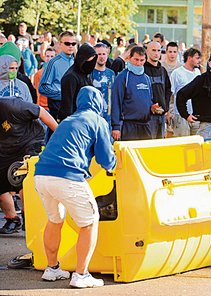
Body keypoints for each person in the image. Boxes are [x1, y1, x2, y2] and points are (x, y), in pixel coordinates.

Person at [34, 86, 116, 288]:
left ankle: (52, 269)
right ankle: (81, 274)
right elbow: (106, 159)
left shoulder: (68, 120)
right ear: (99, 102)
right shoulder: (97, 121)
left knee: (55, 219)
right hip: (68, 176)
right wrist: (114, 164)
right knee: (89, 221)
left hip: (41, 175)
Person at [0, 96, 57, 234]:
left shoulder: (11, 106)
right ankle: (12, 219)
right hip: (6, 149)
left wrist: (59, 134)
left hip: (30, 142)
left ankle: (29, 218)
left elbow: (41, 112)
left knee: (24, 182)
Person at [111, 46, 153, 141]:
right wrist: (116, 126)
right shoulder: (122, 77)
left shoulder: (146, 78)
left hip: (145, 125)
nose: (138, 63)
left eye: (142, 60)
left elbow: (149, 100)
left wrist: (152, 107)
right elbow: (116, 102)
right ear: (129, 58)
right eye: (136, 60)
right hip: (128, 125)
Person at [39, 31, 76, 120]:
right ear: (60, 44)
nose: (71, 46)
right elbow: (43, 87)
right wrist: (62, 95)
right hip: (57, 108)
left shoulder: (76, 63)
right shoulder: (53, 62)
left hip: (74, 108)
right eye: (67, 43)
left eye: (73, 43)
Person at [58, 43, 97, 121]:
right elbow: (67, 104)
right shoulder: (71, 77)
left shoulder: (85, 74)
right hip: (75, 120)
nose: (90, 64)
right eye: (88, 60)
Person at [169, 48, 202, 137]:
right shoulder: (177, 73)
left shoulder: (198, 72)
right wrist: (170, 112)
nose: (199, 61)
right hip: (181, 115)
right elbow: (170, 94)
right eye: (197, 58)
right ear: (189, 57)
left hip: (195, 115)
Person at [144, 42, 171, 139]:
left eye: (158, 50)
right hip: (148, 117)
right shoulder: (142, 69)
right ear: (147, 51)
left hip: (162, 116)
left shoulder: (163, 70)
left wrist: (166, 108)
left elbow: (168, 90)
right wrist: (150, 106)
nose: (156, 53)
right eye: (153, 50)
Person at [91, 43, 115, 127]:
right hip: (93, 118)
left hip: (109, 119)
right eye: (99, 54)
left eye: (104, 54)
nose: (102, 57)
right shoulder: (89, 73)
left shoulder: (111, 74)